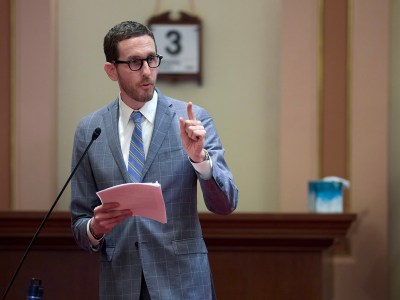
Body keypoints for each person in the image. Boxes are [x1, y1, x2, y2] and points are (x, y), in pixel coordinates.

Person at [70, 20, 238, 300]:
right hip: (121, 283)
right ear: (112, 70)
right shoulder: (90, 131)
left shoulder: (192, 120)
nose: (147, 71)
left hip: (183, 283)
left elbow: (225, 204)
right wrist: (94, 229)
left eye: (152, 59)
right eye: (134, 62)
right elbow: (79, 223)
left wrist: (201, 161)